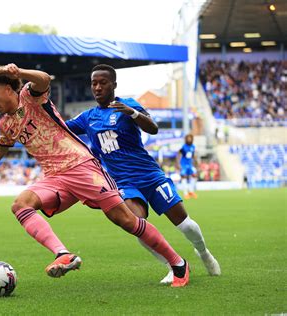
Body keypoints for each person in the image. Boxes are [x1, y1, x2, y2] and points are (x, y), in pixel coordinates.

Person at [0, 63, 189, 287]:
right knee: (21, 205)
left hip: (82, 166)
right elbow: (0, 147)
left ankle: (178, 264)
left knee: (126, 220)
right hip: (55, 178)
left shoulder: (29, 96)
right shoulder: (7, 124)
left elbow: (43, 79)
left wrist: (19, 72)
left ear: (8, 88)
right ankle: (63, 254)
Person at [66, 64, 220, 284]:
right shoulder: (87, 117)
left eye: (103, 82)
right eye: (94, 83)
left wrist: (133, 113)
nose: (97, 87)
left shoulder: (127, 104)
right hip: (124, 182)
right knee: (136, 224)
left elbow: (153, 128)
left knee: (185, 224)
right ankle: (173, 265)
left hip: (150, 176)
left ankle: (203, 253)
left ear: (114, 85)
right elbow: (61, 128)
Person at [177, 134, 198, 199]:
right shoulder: (184, 147)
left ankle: (191, 191)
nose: (189, 139)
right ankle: (185, 193)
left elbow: (193, 155)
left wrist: (196, 161)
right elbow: (179, 154)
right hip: (183, 164)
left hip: (190, 164)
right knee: (184, 176)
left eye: (190, 138)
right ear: (186, 139)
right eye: (188, 138)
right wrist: (178, 163)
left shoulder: (193, 147)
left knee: (194, 175)